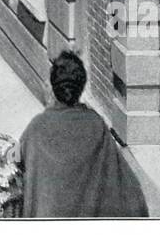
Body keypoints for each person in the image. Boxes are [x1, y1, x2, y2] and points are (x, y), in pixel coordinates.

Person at [16, 51, 150, 217]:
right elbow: (124, 185)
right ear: (81, 86)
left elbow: (17, 164)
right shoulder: (96, 125)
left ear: (53, 87)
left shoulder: (37, 127)